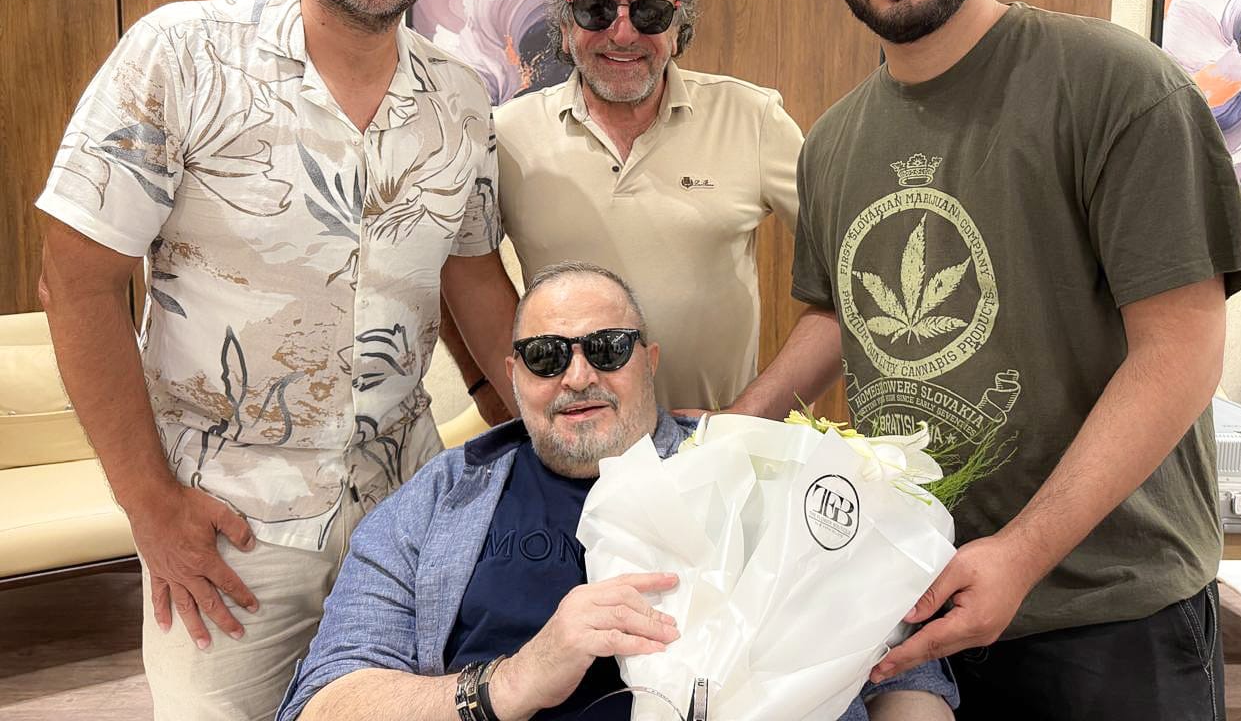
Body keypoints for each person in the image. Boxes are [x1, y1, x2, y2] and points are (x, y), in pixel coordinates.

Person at [770, 0, 1241, 718]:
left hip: (1106, 614)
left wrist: (1021, 554)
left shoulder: (1119, 85)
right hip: (912, 601)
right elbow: (838, 314)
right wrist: (735, 427)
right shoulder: (833, 141)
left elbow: (1182, 349)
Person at [36, 0, 518, 721]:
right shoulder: (182, 56)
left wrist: (546, 428)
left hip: (405, 506)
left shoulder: (458, 98)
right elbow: (76, 282)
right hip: (225, 526)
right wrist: (149, 505)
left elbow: (474, 280)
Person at [277, 260, 959, 721]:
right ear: (514, 376)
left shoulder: (756, 472)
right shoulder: (438, 501)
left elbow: (907, 671)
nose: (578, 377)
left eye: (606, 349)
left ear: (649, 362)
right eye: (546, 357)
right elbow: (325, 701)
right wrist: (512, 681)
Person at [443, 0, 808, 416]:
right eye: (596, 10)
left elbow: (847, 270)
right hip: (569, 446)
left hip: (712, 448)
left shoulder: (754, 119)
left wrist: (746, 420)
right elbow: (454, 264)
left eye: (649, 12)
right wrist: (488, 392)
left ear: (677, 25)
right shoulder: (504, 137)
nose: (622, 33)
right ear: (566, 24)